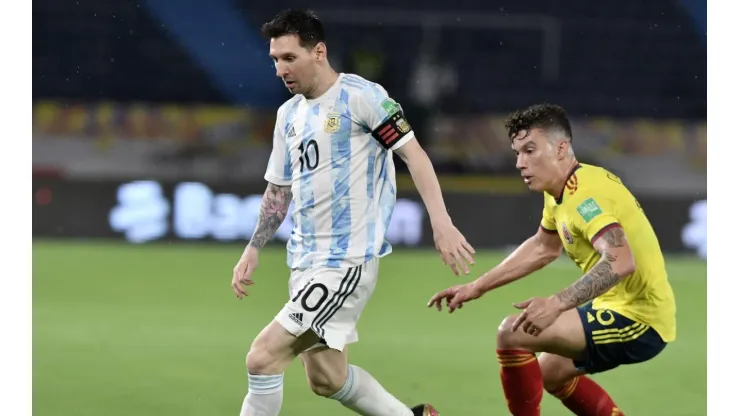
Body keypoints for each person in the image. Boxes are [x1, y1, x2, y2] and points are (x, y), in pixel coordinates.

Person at [231, 9, 475, 416]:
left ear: (319, 52)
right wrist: (254, 247)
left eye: (289, 58)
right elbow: (279, 189)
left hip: (345, 261)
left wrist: (442, 223)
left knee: (262, 357)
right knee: (327, 378)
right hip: (305, 262)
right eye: (275, 59)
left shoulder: (363, 97)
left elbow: (414, 156)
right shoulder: (288, 115)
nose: (279, 69)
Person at [428, 103, 677, 416]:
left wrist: (557, 303)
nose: (520, 163)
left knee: (512, 333)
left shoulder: (587, 196)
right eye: (518, 152)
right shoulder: (560, 189)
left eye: (530, 150)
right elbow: (543, 248)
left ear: (561, 148)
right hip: (615, 307)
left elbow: (620, 260)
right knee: (549, 373)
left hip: (640, 320)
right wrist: (476, 287)